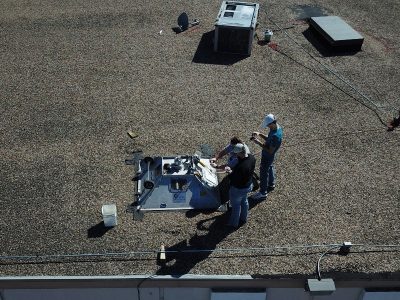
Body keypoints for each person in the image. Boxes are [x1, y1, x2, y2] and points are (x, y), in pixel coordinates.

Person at [249, 113, 283, 200]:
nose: (267, 126)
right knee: (270, 167)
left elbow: (270, 151)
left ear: (272, 123)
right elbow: (269, 138)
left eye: (268, 125)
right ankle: (271, 184)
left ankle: (262, 192)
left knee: (263, 173)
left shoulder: (276, 136)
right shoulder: (277, 128)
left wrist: (258, 142)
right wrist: (259, 134)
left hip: (268, 156)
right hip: (269, 156)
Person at [227, 143, 256, 228]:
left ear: (239, 153)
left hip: (238, 188)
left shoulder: (242, 167)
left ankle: (233, 223)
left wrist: (229, 172)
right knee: (244, 201)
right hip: (248, 185)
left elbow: (234, 178)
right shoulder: (252, 158)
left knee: (236, 206)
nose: (235, 155)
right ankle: (244, 218)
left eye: (236, 153)